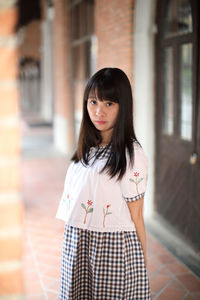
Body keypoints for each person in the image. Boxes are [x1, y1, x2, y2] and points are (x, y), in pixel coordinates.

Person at [56, 67, 152, 300]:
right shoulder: (88, 148)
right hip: (80, 242)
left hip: (111, 249)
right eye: (93, 102)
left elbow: (137, 215)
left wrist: (142, 265)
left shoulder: (131, 155)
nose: (99, 111)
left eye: (109, 103)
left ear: (123, 107)